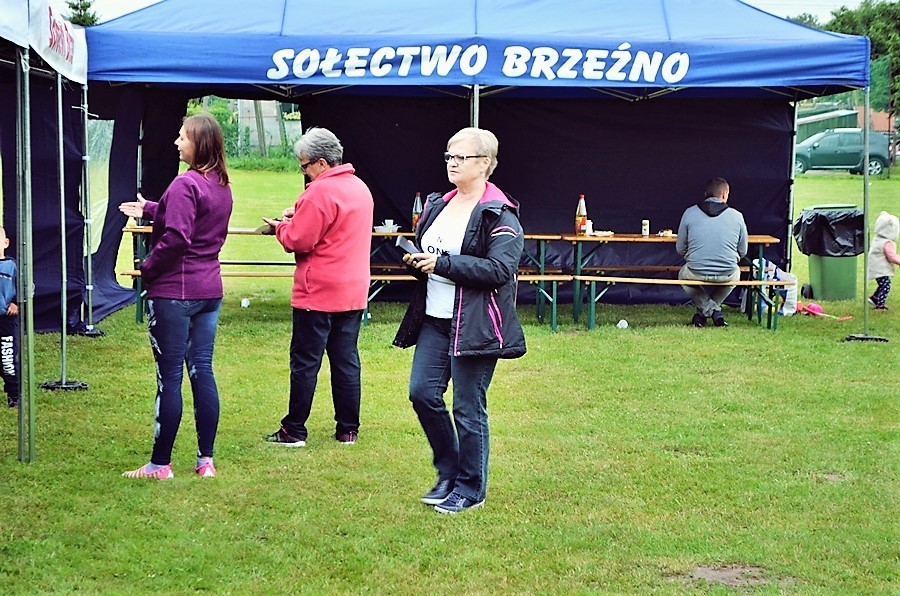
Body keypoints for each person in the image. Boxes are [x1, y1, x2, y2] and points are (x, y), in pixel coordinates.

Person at [393, 127, 526, 514]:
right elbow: (432, 253)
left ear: (484, 163)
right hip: (435, 320)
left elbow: (499, 269)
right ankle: (449, 473)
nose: (452, 163)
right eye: (449, 155)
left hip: (475, 325)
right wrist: (418, 260)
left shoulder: (500, 214)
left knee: (468, 409)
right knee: (422, 394)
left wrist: (443, 264)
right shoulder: (437, 204)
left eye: (461, 157)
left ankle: (471, 489)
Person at [118, 112, 234, 479]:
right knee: (202, 370)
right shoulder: (221, 184)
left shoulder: (186, 183)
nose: (176, 142)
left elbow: (179, 236)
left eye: (182, 137)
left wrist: (148, 267)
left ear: (199, 144)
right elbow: (192, 217)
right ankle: (205, 461)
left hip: (175, 293)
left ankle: (160, 465)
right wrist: (151, 208)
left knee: (169, 377)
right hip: (209, 290)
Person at [262, 127, 374, 447]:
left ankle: (294, 430)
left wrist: (280, 228)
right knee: (346, 360)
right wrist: (299, 213)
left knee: (305, 362)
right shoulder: (360, 188)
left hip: (318, 291)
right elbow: (334, 226)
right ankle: (348, 429)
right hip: (352, 290)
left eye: (305, 166)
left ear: (322, 163)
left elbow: (299, 239)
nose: (305, 173)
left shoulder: (319, 191)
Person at [676, 177, 748, 327]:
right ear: (724, 194)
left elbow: (680, 248)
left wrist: (693, 257)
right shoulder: (737, 216)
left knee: (683, 275)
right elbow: (743, 251)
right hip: (727, 272)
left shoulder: (689, 213)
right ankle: (715, 311)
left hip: (695, 271)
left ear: (706, 194)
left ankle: (704, 311)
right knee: (736, 274)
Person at [0, 227, 20, 409]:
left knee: (7, 360)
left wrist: (16, 303)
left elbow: (25, 288)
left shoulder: (12, 266)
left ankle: (14, 394)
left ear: (5, 243)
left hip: (5, 320)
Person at [867, 210, 900, 310]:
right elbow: (891, 256)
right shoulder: (887, 242)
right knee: (886, 285)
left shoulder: (878, 238)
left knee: (883, 284)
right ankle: (880, 305)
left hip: (875, 266)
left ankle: (874, 297)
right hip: (880, 268)